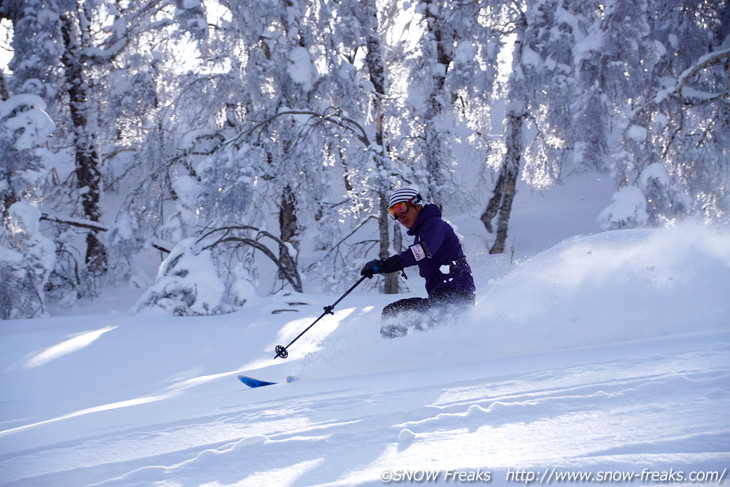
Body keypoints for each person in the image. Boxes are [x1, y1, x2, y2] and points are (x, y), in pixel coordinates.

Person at [360, 188, 476, 338]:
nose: (399, 216)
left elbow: (422, 250)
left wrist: (386, 265)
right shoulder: (424, 231)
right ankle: (398, 354)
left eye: (401, 208)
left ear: (416, 204)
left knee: (406, 319)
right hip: (442, 298)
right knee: (396, 315)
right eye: (393, 213)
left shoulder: (435, 225)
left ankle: (403, 354)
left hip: (454, 296)